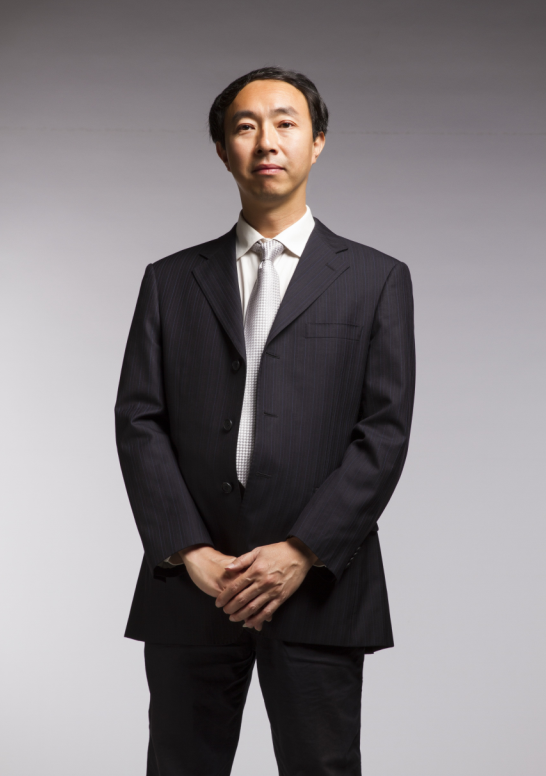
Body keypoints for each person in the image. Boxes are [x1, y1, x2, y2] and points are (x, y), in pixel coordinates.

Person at [115, 65, 416, 776]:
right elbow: (139, 419)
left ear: (318, 141)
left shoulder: (376, 279)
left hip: (318, 586)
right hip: (194, 585)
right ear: (224, 150)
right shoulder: (170, 280)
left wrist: (303, 549)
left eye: (285, 123)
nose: (266, 141)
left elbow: (384, 431)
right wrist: (188, 552)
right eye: (245, 127)